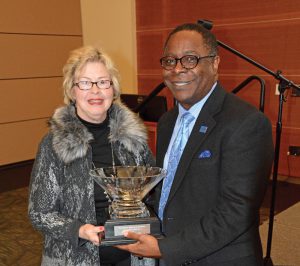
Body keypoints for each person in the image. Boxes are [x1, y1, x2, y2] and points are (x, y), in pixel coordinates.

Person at [116, 23, 274, 266]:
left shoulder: (246, 123)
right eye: (170, 61)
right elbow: (172, 189)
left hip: (219, 259)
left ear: (215, 63)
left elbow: (236, 212)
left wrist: (165, 248)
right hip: (172, 255)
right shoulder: (168, 121)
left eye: (190, 59)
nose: (178, 69)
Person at [28, 45, 156, 266]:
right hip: (76, 256)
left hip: (134, 255)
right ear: (72, 90)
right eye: (85, 83)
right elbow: (39, 213)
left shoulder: (134, 138)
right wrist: (78, 229)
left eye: (103, 82)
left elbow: (153, 193)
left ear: (113, 89)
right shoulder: (54, 143)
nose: (95, 91)